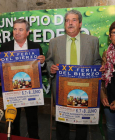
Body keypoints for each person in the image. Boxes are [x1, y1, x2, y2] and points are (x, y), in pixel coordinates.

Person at [46, 10, 101, 140]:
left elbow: (97, 61)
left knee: (82, 124)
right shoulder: (54, 42)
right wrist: (51, 69)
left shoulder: (93, 41)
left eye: (74, 20)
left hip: (84, 90)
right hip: (62, 89)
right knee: (62, 123)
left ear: (80, 23)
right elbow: (49, 61)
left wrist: (98, 69)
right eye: (67, 20)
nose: (70, 23)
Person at [0, 19, 46, 139]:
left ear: (27, 32)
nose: (17, 32)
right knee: (13, 120)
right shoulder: (5, 46)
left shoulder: (35, 47)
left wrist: (42, 62)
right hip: (12, 90)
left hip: (31, 90)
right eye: (15, 29)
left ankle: (33, 137)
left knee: (32, 118)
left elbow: (41, 69)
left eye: (20, 29)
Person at [101, 21, 115, 140]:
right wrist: (102, 95)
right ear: (110, 36)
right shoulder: (106, 54)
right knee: (110, 127)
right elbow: (102, 79)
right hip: (109, 99)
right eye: (114, 33)